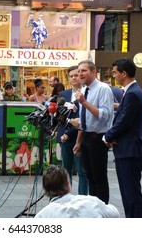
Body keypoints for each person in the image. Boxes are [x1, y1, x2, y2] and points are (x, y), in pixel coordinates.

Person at [103, 58, 142, 218]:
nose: (113, 75)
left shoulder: (133, 93)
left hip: (130, 150)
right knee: (128, 194)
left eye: (115, 72)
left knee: (131, 195)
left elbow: (124, 121)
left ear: (124, 73)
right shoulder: (131, 92)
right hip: (126, 149)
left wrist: (107, 136)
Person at [72, 60, 114, 204]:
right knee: (89, 176)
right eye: (79, 71)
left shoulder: (103, 89)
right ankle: (94, 206)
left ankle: (102, 208)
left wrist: (84, 103)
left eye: (83, 71)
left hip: (98, 138)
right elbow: (84, 120)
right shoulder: (83, 90)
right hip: (86, 137)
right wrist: (78, 141)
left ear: (94, 72)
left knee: (99, 176)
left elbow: (104, 114)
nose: (80, 74)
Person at [35, 165, 119, 218]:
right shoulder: (92, 202)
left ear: (45, 190)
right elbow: (115, 213)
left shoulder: (43, 215)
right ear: (68, 184)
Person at [57, 66, 88, 195]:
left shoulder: (88, 93)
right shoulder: (64, 95)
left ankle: (82, 200)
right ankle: (66, 198)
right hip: (66, 137)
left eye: (76, 75)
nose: (74, 78)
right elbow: (60, 116)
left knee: (82, 172)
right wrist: (68, 123)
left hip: (82, 137)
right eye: (71, 76)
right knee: (66, 171)